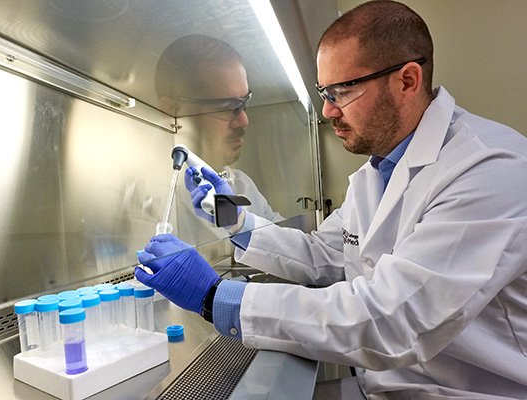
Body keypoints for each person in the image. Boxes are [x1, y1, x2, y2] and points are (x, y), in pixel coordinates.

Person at [137, 1, 527, 399]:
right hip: (387, 384)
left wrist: (214, 296)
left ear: (407, 81)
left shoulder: (488, 169)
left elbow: (391, 319)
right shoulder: (376, 174)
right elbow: (324, 257)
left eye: (342, 91)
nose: (327, 111)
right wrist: (238, 222)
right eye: (324, 92)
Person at [154, 34, 283, 244]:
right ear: (173, 110)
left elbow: (291, 246)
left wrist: (239, 222)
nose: (244, 121)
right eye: (227, 107)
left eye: (244, 103)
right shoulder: (148, 196)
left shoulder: (241, 184)